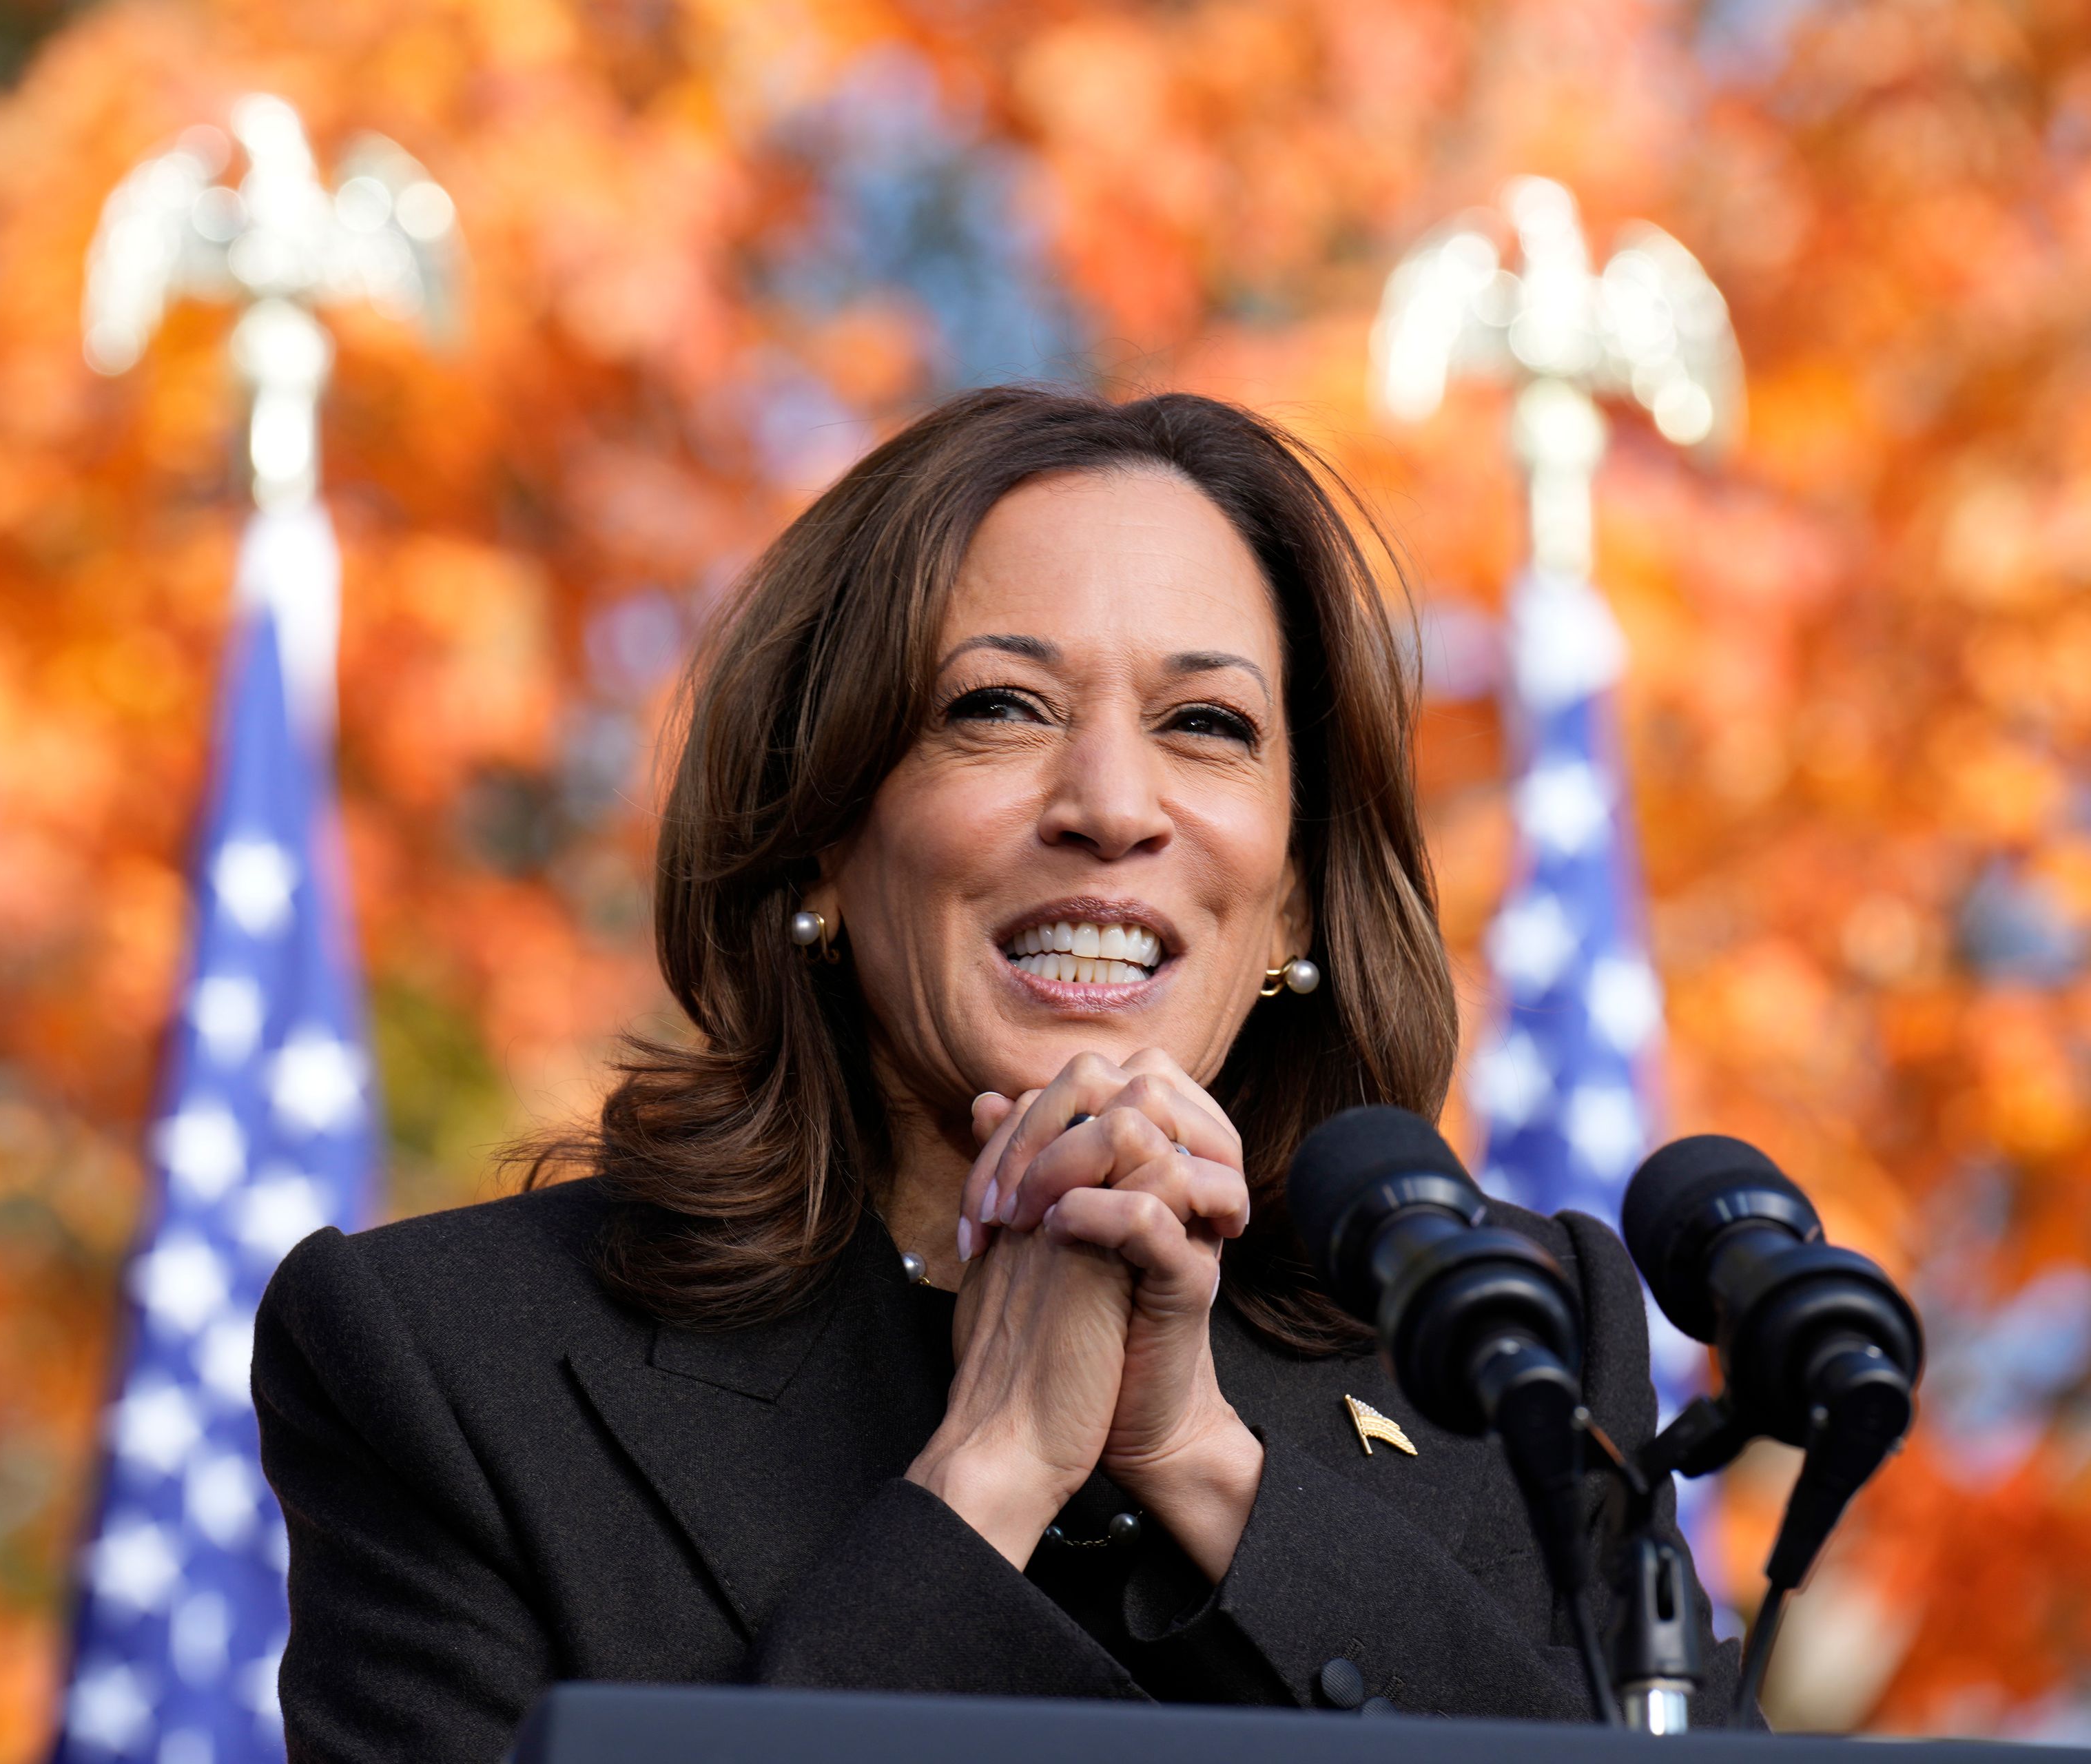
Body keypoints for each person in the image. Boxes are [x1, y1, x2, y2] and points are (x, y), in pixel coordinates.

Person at [251, 386, 1735, 1761]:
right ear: (822, 831)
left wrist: (1203, 1462)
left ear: (1294, 896)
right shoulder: (446, 1364)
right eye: (999, 707)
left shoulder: (1517, 1353)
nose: (1108, 804)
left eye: (1205, 725)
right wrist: (995, 1467)